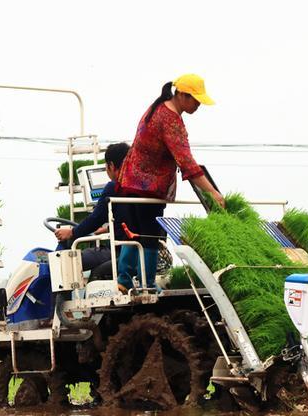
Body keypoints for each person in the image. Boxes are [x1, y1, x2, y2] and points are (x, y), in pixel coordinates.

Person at [114, 74, 225, 291]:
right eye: (196, 100)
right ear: (182, 95)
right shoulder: (171, 120)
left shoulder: (157, 108)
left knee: (134, 232)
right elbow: (187, 163)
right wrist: (213, 192)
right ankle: (147, 285)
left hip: (131, 182)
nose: (198, 105)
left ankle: (124, 280)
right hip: (148, 187)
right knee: (149, 236)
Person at [54, 142, 131, 277]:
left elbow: (96, 219)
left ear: (111, 166)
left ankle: (61, 298)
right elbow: (129, 218)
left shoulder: (114, 187)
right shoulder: (139, 188)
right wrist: (107, 229)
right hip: (136, 248)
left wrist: (72, 233)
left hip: (119, 250)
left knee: (67, 262)